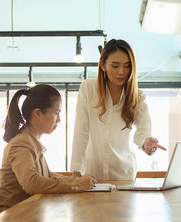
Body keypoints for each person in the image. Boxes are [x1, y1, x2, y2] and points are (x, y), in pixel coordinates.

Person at [0, 84, 96, 217]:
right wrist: (76, 184)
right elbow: (32, 184)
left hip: (23, 216)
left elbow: (46, 175)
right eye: (56, 113)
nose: (59, 120)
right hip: (11, 221)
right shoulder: (21, 144)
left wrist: (75, 181)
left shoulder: (30, 141)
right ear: (38, 113)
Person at [71, 39, 166, 180]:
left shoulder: (137, 96)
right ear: (103, 65)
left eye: (127, 66)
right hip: (92, 175)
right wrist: (76, 170)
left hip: (124, 176)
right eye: (115, 66)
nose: (121, 72)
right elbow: (81, 132)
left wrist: (145, 143)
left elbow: (143, 130)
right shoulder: (88, 89)